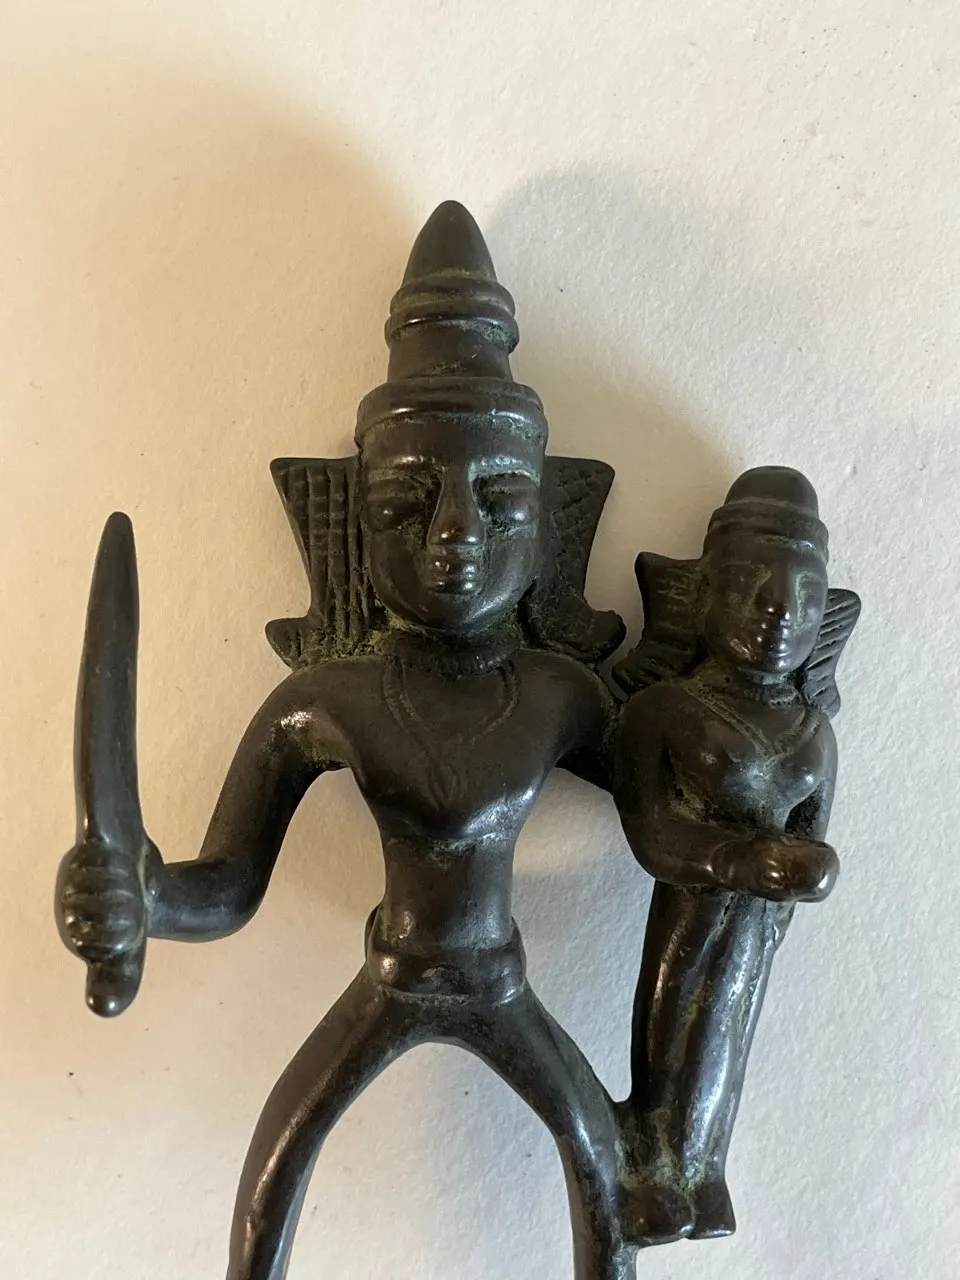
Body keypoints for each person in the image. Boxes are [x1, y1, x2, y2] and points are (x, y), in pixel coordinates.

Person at [57, 202, 640, 1279]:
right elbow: (229, 884)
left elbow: (665, 822)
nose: (456, 533)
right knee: (271, 1182)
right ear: (350, 525)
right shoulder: (325, 700)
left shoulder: (563, 695)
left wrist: (744, 805)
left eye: (499, 500)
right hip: (392, 972)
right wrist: (143, 895)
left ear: (553, 518)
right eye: (407, 501)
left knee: (603, 1176)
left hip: (500, 982)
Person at [613, 466, 859, 1240]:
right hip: (693, 908)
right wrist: (734, 860)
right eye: (753, 585)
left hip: (759, 925)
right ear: (702, 593)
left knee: (729, 1027)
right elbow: (653, 833)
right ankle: (654, 1161)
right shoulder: (664, 711)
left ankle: (701, 1169)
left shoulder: (814, 733)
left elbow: (814, 834)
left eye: (805, 596)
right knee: (675, 1022)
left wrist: (810, 871)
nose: (779, 612)